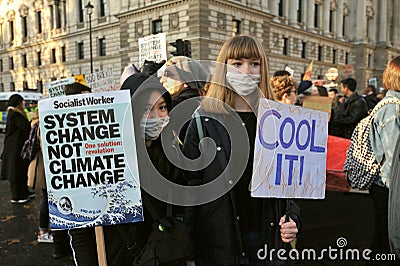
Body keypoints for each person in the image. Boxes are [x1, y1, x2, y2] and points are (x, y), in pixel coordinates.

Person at [182, 35, 300, 265]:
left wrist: (293, 218)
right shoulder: (202, 120)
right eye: (237, 64)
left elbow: (291, 184)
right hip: (218, 242)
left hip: (267, 238)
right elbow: (190, 188)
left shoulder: (279, 120)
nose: (247, 71)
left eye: (254, 63)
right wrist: (188, 249)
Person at [369, 55, 400, 259]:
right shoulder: (393, 108)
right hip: (389, 186)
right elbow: (394, 156)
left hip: (388, 184)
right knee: (386, 239)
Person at [0, 94, 34, 203]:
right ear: (18, 103)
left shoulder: (15, 113)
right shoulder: (14, 114)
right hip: (13, 148)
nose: (24, 104)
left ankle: (24, 192)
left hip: (18, 147)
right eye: (22, 102)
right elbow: (25, 126)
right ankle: (17, 196)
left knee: (21, 169)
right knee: (14, 171)